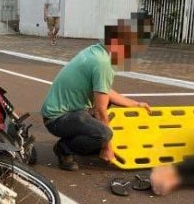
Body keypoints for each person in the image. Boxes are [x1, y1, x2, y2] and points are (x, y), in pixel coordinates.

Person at [41, 19, 152, 171]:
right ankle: (63, 148)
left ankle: (88, 143)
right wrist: (108, 147)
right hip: (57, 119)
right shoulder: (103, 63)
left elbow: (104, 91)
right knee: (104, 134)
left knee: (103, 119)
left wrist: (135, 104)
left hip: (69, 112)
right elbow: (100, 110)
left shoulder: (96, 51)